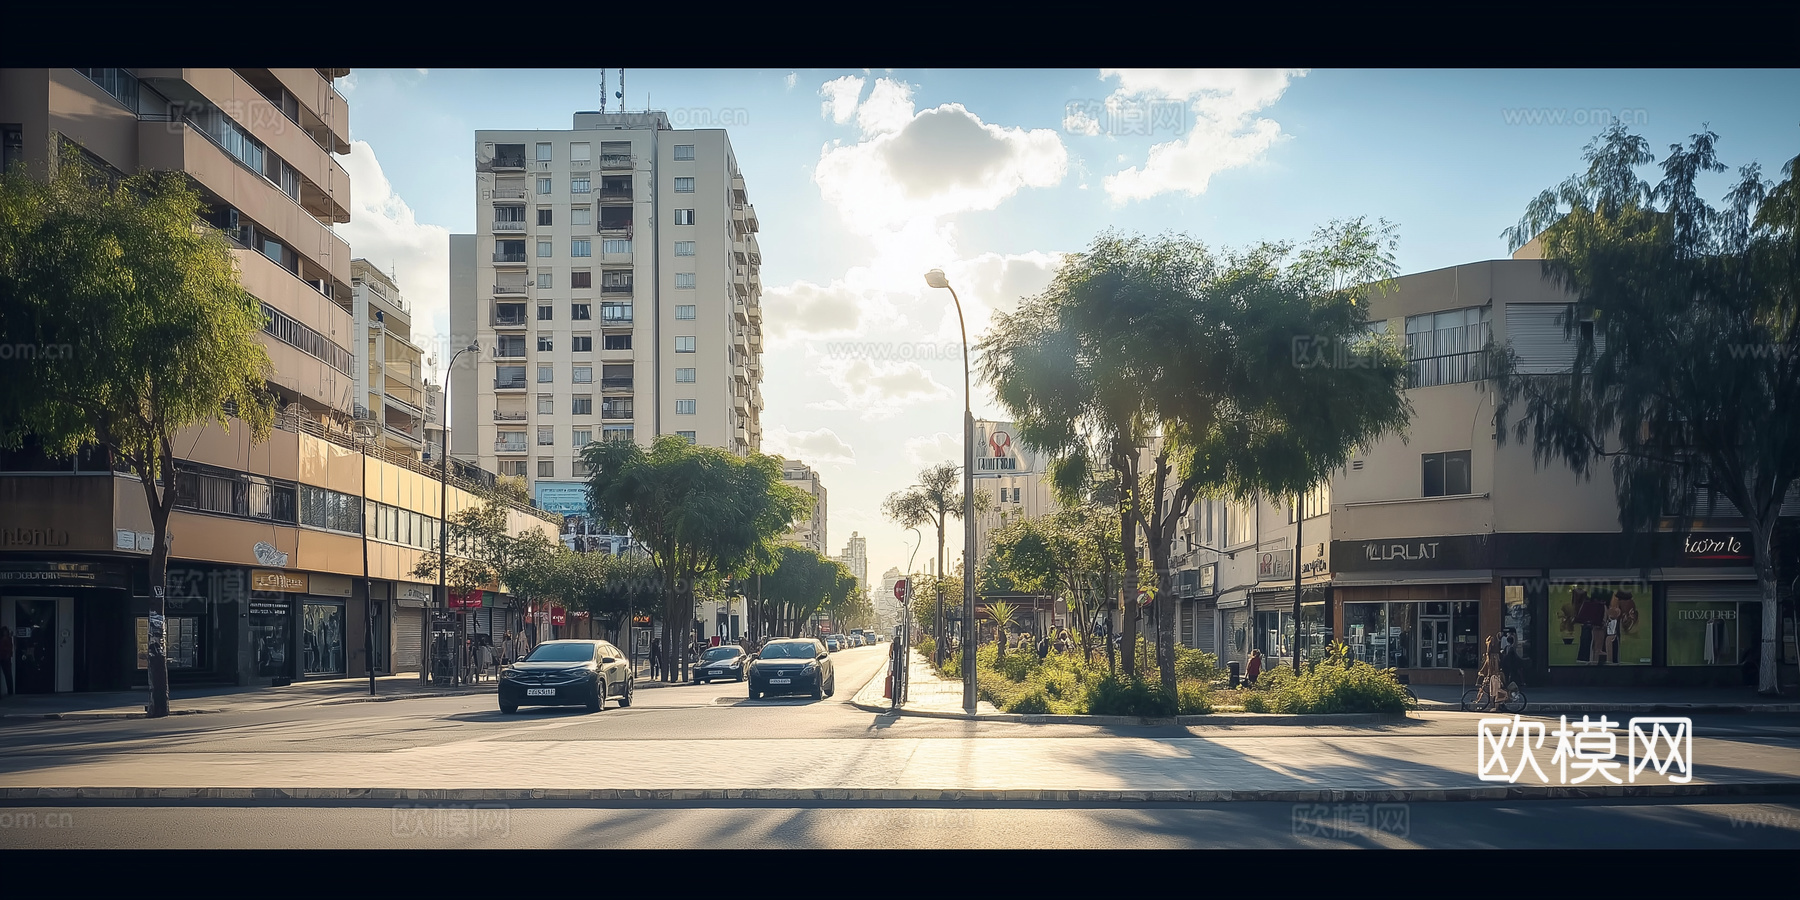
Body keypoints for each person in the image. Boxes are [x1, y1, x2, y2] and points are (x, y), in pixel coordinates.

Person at [1477, 635, 1509, 708]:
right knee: (1494, 692)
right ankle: (1495, 705)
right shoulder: (1494, 656)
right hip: (1494, 676)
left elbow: (1489, 668)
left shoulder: (1491, 656)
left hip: (1493, 677)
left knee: (1493, 692)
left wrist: (1483, 673)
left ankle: (1494, 706)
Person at [0, 625, 12, 696]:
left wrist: (8, 655)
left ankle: (10, 691)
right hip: (2, 657)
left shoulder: (8, 639)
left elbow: (9, 649)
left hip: (5, 658)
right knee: (8, 675)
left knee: (8, 675)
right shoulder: (2, 639)